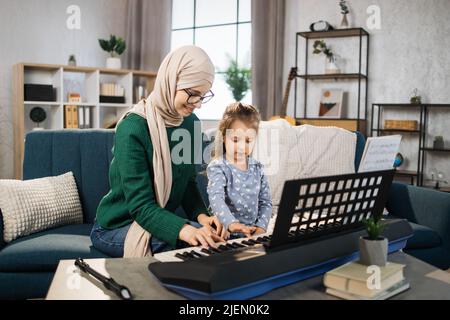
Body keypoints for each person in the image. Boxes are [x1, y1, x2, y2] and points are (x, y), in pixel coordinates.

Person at [91, 46, 227, 258]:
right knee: (196, 247)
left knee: (221, 239)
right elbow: (141, 206)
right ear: (171, 81)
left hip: (157, 222)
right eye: (193, 94)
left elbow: (188, 183)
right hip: (117, 227)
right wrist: (185, 229)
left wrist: (202, 216)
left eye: (203, 96)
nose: (198, 104)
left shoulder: (191, 123)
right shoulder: (132, 127)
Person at [207, 102, 272, 239]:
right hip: (225, 232)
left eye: (248, 141)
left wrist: (261, 227)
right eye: (235, 140)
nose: (242, 147)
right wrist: (231, 223)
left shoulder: (257, 168)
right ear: (224, 138)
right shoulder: (218, 166)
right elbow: (216, 198)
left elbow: (266, 202)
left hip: (251, 234)